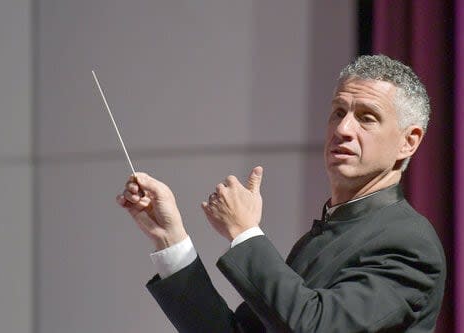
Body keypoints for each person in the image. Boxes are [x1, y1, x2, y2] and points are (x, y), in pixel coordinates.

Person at [117, 55, 446, 332]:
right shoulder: (324, 236)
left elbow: (316, 326)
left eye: (366, 118)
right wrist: (171, 240)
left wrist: (244, 233)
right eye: (338, 112)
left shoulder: (409, 242)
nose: (343, 129)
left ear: (409, 141)